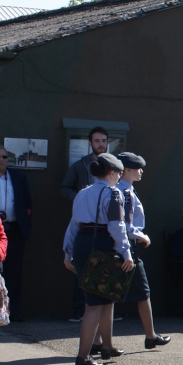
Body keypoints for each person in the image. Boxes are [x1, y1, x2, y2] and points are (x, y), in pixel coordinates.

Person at [62, 153, 134, 365]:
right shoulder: (112, 193)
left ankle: (107, 347)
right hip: (101, 244)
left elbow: (74, 225)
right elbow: (116, 226)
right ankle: (83, 356)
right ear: (111, 173)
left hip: (83, 243)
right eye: (119, 173)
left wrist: (68, 252)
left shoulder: (83, 193)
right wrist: (126, 252)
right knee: (94, 304)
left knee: (105, 297)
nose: (120, 176)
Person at [116, 152, 169, 349]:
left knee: (112, 294)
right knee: (142, 292)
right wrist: (141, 236)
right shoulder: (123, 192)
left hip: (126, 246)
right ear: (127, 170)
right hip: (127, 248)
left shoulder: (127, 190)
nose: (141, 171)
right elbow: (123, 224)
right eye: (137, 168)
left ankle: (100, 341)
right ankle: (150, 335)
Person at [63, 128, 110, 322]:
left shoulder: (114, 166)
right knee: (81, 269)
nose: (101, 144)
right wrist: (80, 200)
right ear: (90, 143)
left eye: (104, 141)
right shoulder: (81, 165)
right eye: (97, 141)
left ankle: (107, 312)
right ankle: (78, 310)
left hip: (108, 227)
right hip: (85, 225)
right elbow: (64, 188)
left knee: (107, 270)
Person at [0, 145, 32, 322]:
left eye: (4, 157)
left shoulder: (17, 178)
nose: (1, 160)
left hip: (14, 230)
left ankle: (13, 312)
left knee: (14, 273)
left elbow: (27, 203)